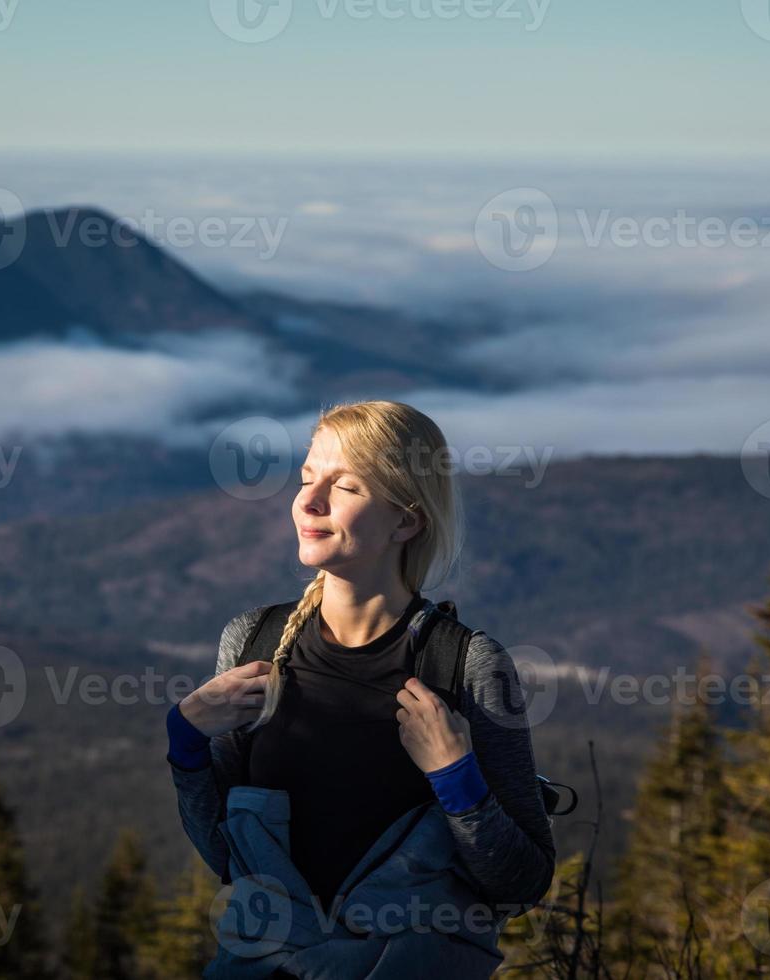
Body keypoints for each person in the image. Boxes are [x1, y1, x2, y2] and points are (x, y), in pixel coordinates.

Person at [167, 400, 555, 978]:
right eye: (305, 478)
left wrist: (457, 778)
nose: (309, 501)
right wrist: (186, 745)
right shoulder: (253, 642)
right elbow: (230, 857)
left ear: (406, 520)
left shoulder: (466, 664)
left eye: (344, 486)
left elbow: (521, 881)